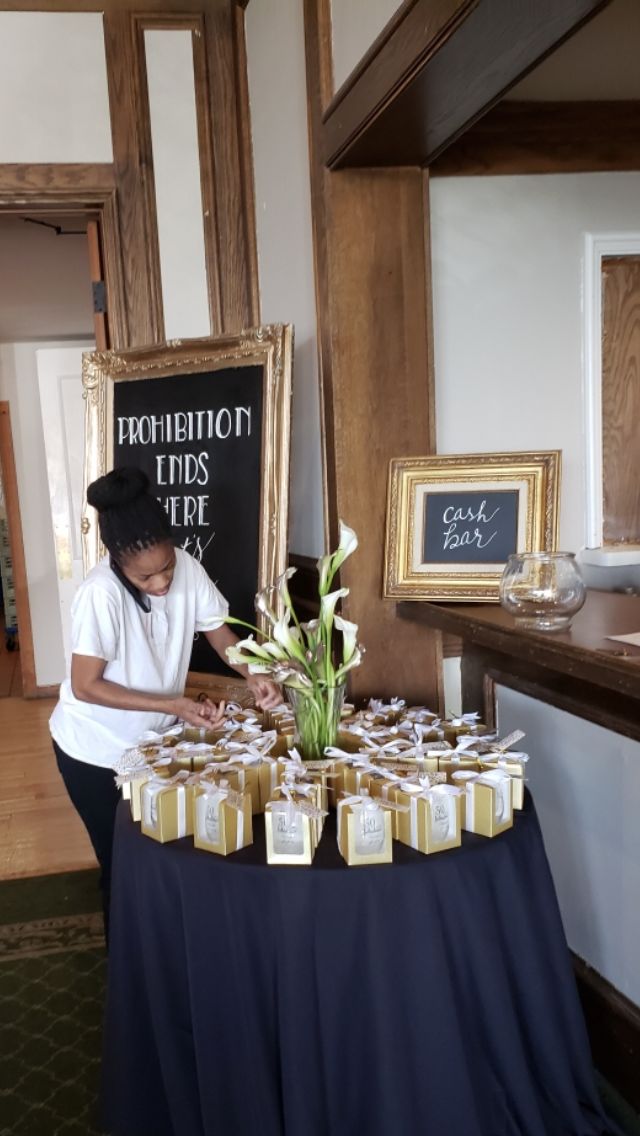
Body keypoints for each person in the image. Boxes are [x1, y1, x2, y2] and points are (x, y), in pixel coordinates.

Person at [49, 466, 281, 937]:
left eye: (166, 568)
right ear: (117, 561)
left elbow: (219, 632)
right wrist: (173, 707)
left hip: (151, 748)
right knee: (122, 867)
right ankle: (131, 980)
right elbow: (85, 685)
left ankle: (167, 954)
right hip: (93, 753)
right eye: (146, 576)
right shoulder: (100, 595)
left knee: (164, 855)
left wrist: (255, 673)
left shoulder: (188, 568)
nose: (161, 584)